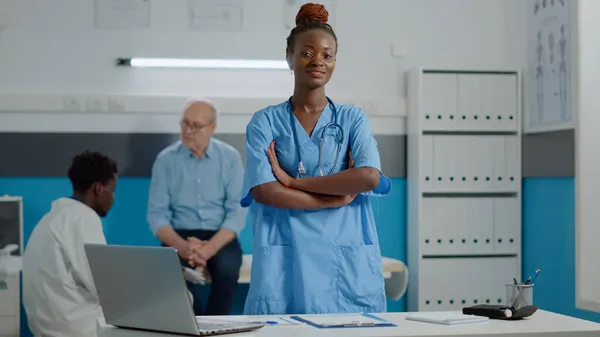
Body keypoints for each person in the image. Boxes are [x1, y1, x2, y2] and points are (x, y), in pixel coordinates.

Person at [239, 3, 392, 315]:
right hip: (285, 261)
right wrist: (331, 199)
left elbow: (368, 178)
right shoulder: (264, 121)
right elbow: (265, 190)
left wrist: (295, 182)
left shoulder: (352, 118)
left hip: (344, 260)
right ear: (289, 57)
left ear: (335, 62)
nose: (317, 61)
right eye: (307, 52)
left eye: (327, 54)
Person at [147, 98, 246, 316]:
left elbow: (237, 214)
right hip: (179, 235)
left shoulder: (229, 158)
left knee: (227, 271)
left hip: (219, 235)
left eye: (196, 125)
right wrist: (184, 247)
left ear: (212, 128)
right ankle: (196, 325)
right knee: (172, 276)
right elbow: (157, 216)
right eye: (185, 123)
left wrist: (207, 249)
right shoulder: (166, 160)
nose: (188, 130)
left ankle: (215, 326)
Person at [22, 151, 118, 337]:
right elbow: (104, 288)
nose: (113, 199)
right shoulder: (83, 219)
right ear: (98, 189)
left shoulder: (48, 220)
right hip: (80, 330)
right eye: (112, 191)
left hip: (45, 329)